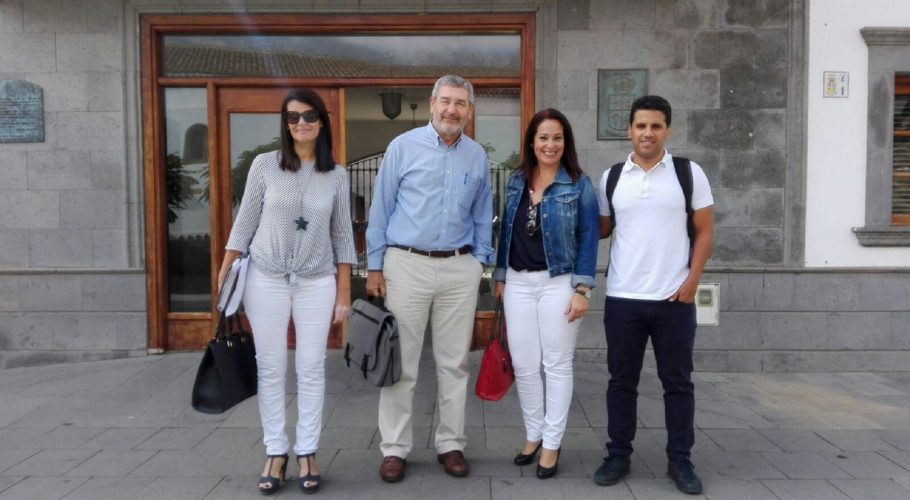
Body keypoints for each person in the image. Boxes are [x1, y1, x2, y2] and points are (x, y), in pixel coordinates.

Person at [218, 88, 356, 495]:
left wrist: (344, 293)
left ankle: (307, 450)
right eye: (293, 117)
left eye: (309, 115)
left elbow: (343, 236)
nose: (301, 123)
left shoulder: (337, 175)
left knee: (311, 367)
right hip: (266, 278)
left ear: (322, 121)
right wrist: (225, 270)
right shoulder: (265, 165)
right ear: (285, 123)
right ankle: (276, 451)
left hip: (317, 281)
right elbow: (245, 222)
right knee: (271, 366)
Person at [366, 74, 493, 483]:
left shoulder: (477, 156)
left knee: (455, 364)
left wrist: (479, 263)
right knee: (401, 363)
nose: (452, 110)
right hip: (407, 265)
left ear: (469, 110)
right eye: (446, 101)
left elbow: (483, 214)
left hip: (459, 267)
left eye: (461, 103)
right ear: (432, 103)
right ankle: (394, 448)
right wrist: (374, 266)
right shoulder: (402, 147)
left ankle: (450, 444)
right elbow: (380, 209)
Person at [592, 95, 714, 495]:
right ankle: (618, 454)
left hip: (673, 298)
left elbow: (705, 231)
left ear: (667, 131)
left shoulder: (688, 173)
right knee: (620, 382)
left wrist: (693, 280)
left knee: (677, 383)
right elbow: (601, 229)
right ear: (629, 129)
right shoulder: (611, 177)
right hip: (623, 298)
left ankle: (680, 459)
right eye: (641, 126)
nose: (648, 133)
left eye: (656, 126)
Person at [492, 108, 599, 479]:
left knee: (556, 364)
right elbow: (507, 231)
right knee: (524, 365)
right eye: (543, 138)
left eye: (557, 138)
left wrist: (582, 289)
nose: (549, 145)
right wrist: (501, 276)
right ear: (531, 142)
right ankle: (533, 434)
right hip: (518, 283)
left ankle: (552, 443)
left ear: (565, 142)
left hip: (560, 282)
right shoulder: (516, 181)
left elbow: (588, 236)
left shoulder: (579, 184)